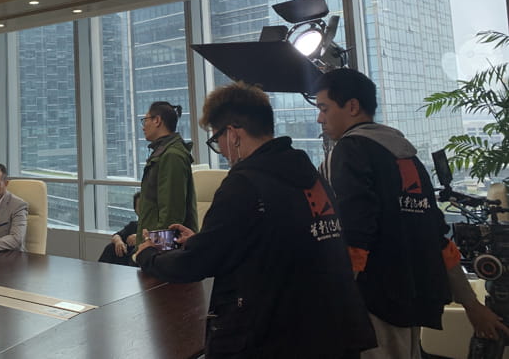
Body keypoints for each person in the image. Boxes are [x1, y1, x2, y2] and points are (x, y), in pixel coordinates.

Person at [136, 82, 376, 359]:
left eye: (217, 140)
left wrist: (149, 256)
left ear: (233, 134)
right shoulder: (309, 174)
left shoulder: (244, 183)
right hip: (330, 331)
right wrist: (203, 240)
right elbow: (274, 237)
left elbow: (194, 265)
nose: (222, 150)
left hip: (273, 337)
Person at [315, 68, 509, 358]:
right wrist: (472, 305)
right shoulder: (407, 156)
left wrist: (334, 301)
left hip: (371, 304)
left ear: (352, 106)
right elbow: (437, 237)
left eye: (324, 108)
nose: (320, 119)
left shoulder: (348, 151)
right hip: (412, 301)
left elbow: (353, 234)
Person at [136, 102, 198, 250]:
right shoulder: (163, 152)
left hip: (162, 250)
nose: (143, 127)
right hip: (152, 244)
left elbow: (171, 215)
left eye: (145, 120)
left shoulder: (172, 156)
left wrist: (156, 249)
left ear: (157, 120)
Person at [98, 192, 140, 266]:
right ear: (135, 209)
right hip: (128, 259)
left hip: (143, 258)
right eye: (140, 206)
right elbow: (116, 235)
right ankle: (100, 271)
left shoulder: (157, 226)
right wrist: (118, 242)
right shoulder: (133, 225)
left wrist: (140, 238)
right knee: (111, 248)